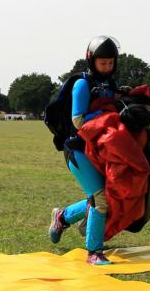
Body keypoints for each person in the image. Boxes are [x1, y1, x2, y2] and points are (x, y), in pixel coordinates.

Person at [47, 36, 129, 266]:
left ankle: (62, 217)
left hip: (100, 150)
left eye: (110, 63)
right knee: (100, 198)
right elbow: (78, 120)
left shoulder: (110, 86)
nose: (107, 67)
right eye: (103, 63)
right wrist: (109, 115)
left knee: (102, 196)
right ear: (91, 61)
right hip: (78, 150)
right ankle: (94, 252)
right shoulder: (82, 84)